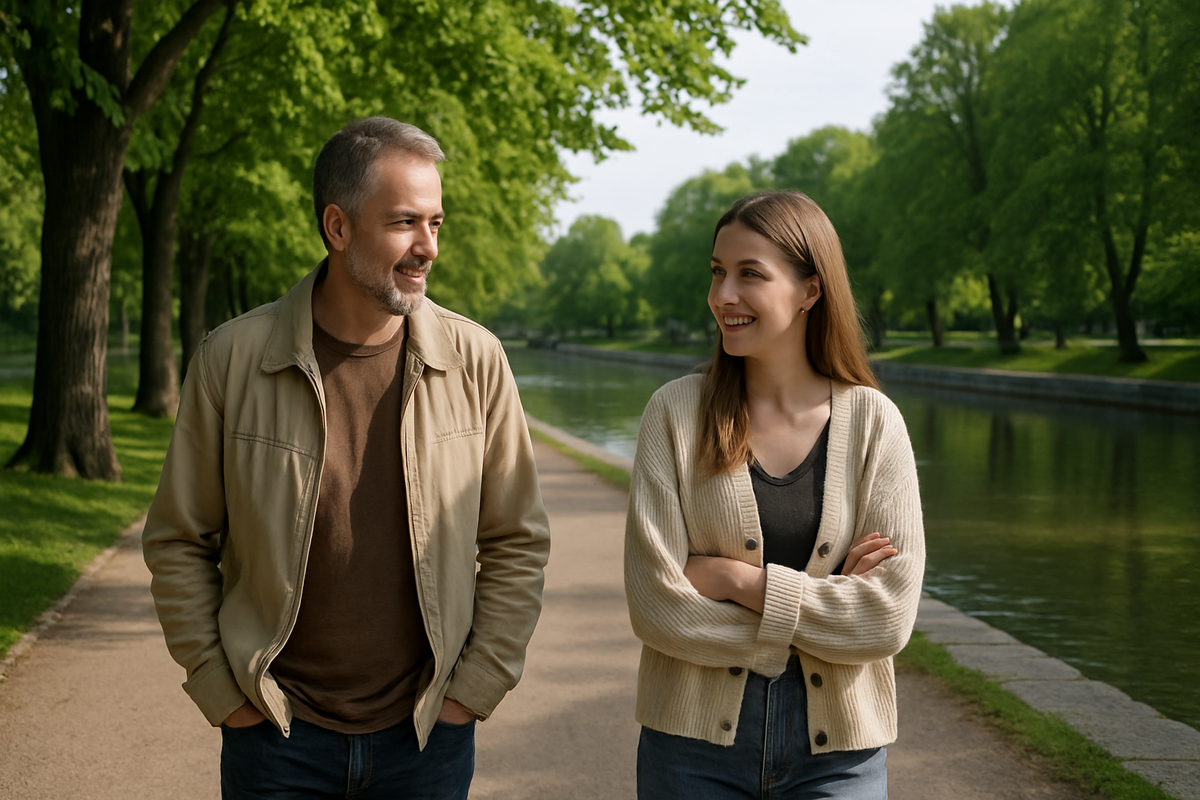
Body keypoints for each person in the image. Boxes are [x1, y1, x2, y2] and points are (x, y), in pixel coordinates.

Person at [142, 117, 551, 800]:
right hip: (275, 740)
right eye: (404, 223)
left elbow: (516, 541)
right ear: (337, 227)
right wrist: (226, 697)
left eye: (437, 222)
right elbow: (179, 540)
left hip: (427, 738)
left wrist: (471, 694)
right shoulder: (232, 359)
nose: (428, 247)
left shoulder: (476, 359)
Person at [624, 190, 925, 798]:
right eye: (717, 272)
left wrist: (741, 585)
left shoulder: (874, 423)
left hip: (839, 753)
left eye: (749, 274)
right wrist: (827, 609)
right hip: (691, 748)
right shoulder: (675, 414)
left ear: (810, 289)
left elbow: (886, 620)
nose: (721, 296)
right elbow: (657, 610)